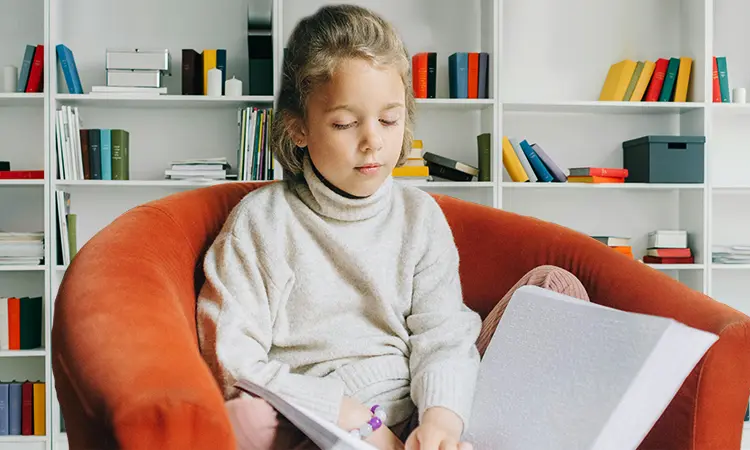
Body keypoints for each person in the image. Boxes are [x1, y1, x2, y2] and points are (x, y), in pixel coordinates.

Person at [197, 4, 591, 450]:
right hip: (329, 422)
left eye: (389, 119)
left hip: (424, 403)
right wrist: (355, 420)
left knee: (555, 286)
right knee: (242, 419)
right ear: (299, 128)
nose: (374, 142)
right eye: (345, 123)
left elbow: (441, 334)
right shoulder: (262, 221)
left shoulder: (419, 217)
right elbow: (233, 361)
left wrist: (442, 421)